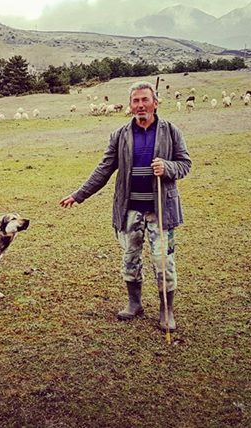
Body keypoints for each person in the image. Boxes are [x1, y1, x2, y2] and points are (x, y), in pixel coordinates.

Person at [60, 81, 191, 331]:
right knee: (130, 258)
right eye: (135, 101)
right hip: (129, 210)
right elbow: (104, 170)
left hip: (161, 211)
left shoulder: (171, 131)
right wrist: (78, 195)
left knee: (163, 261)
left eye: (145, 100)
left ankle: (166, 311)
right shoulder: (120, 135)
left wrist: (168, 167)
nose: (140, 105)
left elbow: (185, 164)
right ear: (130, 105)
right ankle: (134, 303)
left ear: (155, 103)